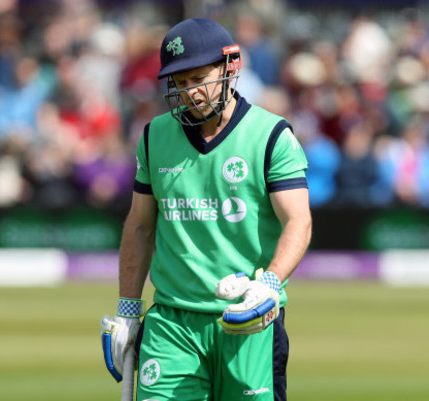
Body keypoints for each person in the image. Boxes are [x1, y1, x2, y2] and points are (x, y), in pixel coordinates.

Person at [101, 18, 312, 401]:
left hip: (248, 318)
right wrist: (129, 308)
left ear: (230, 67)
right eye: (180, 83)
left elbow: (298, 220)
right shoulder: (153, 136)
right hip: (171, 323)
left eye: (199, 77)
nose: (191, 93)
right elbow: (140, 227)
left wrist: (269, 285)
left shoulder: (271, 135)